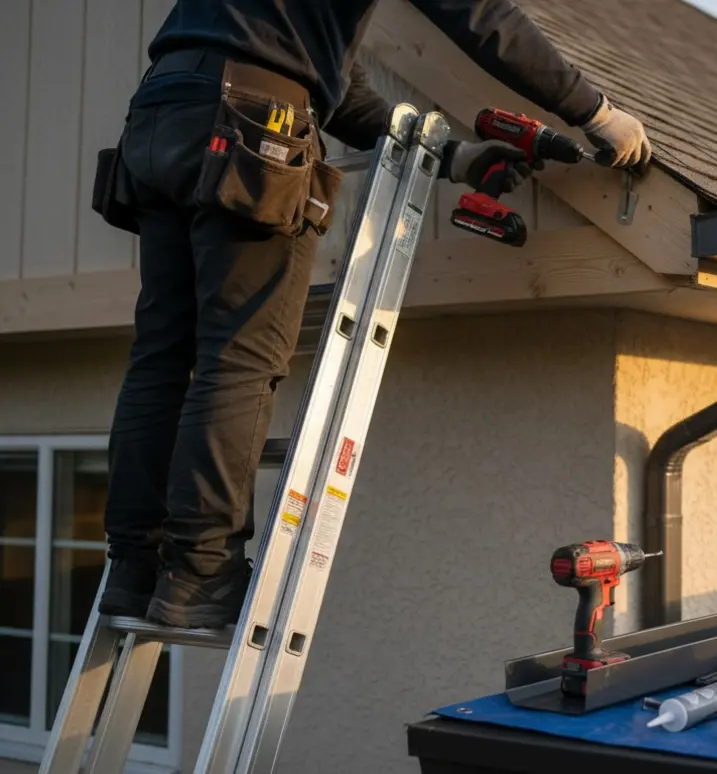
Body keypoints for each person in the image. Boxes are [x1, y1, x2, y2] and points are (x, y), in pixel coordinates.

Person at [97, 0, 652, 629]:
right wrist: (595, 112)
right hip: (253, 121)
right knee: (238, 357)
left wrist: (452, 155)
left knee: (161, 356)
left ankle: (133, 570)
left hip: (160, 112)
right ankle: (199, 573)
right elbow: (482, 17)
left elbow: (336, 85)